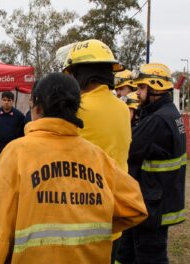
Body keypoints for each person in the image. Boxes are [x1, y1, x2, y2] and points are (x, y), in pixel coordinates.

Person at [0, 73, 147, 264]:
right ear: (76, 108)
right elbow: (135, 207)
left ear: (36, 106)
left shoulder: (17, 153)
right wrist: (95, 226)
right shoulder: (98, 157)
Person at [62, 39, 131, 262]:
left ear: (81, 74)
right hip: (112, 215)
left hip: (80, 215)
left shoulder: (76, 109)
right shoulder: (123, 108)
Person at [116, 63, 186, 264]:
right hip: (158, 200)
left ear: (155, 87)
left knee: (150, 257)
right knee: (130, 252)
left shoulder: (158, 120)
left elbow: (129, 147)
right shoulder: (170, 113)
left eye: (141, 88)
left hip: (153, 204)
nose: (136, 93)